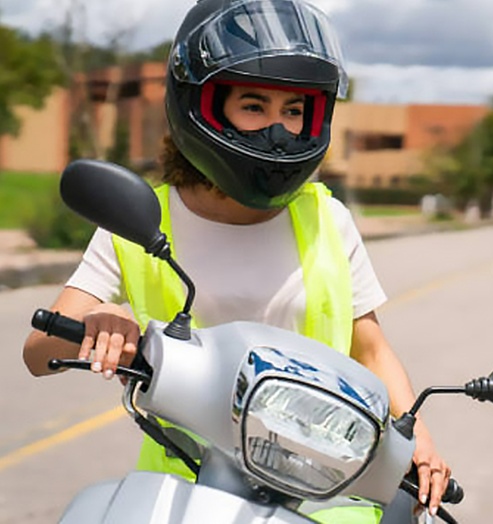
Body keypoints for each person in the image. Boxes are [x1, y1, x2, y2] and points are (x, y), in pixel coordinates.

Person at [21, 0, 450, 520]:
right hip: (182, 482)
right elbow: (38, 352)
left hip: (325, 486)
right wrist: (97, 321)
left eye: (293, 112)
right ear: (200, 104)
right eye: (253, 105)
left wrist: (418, 439)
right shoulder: (141, 218)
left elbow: (371, 348)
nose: (277, 130)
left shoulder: (326, 220)